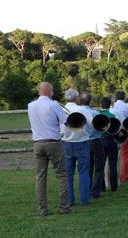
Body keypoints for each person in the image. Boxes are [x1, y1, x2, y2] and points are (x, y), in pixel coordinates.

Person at [28, 82, 71, 216]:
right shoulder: (54, 105)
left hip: (37, 143)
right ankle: (64, 208)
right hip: (53, 142)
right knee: (61, 175)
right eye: (52, 91)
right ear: (50, 91)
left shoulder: (30, 105)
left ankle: (42, 209)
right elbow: (66, 120)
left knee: (40, 177)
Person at [62, 88, 93, 205]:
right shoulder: (81, 110)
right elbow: (91, 124)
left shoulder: (60, 109)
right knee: (84, 172)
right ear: (76, 98)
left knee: (68, 174)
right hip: (82, 142)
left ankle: (70, 200)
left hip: (66, 143)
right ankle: (84, 199)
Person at [80, 92, 105, 198]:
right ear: (90, 101)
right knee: (99, 167)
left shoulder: (77, 111)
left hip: (84, 141)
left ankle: (87, 188)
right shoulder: (94, 113)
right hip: (95, 140)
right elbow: (102, 127)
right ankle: (95, 192)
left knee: (88, 167)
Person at [98, 96, 119, 191]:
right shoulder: (111, 115)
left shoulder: (96, 115)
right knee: (113, 163)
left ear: (100, 105)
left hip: (100, 140)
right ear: (110, 105)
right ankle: (114, 186)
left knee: (100, 164)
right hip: (110, 140)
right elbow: (115, 130)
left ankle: (102, 186)